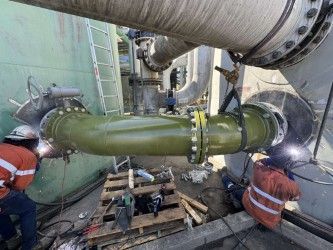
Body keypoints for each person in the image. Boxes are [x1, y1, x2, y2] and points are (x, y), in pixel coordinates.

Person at [222, 148, 301, 229]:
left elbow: (258, 162)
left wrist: (268, 160)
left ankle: (224, 178)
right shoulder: (292, 185)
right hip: (270, 221)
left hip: (250, 207)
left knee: (235, 189)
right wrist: (290, 176)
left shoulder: (259, 169)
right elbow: (295, 198)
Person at [0, 125, 40, 250]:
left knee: (1, 211)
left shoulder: (3, 147)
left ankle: (11, 239)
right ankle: (30, 246)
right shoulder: (27, 155)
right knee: (28, 208)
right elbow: (20, 186)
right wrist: (36, 163)